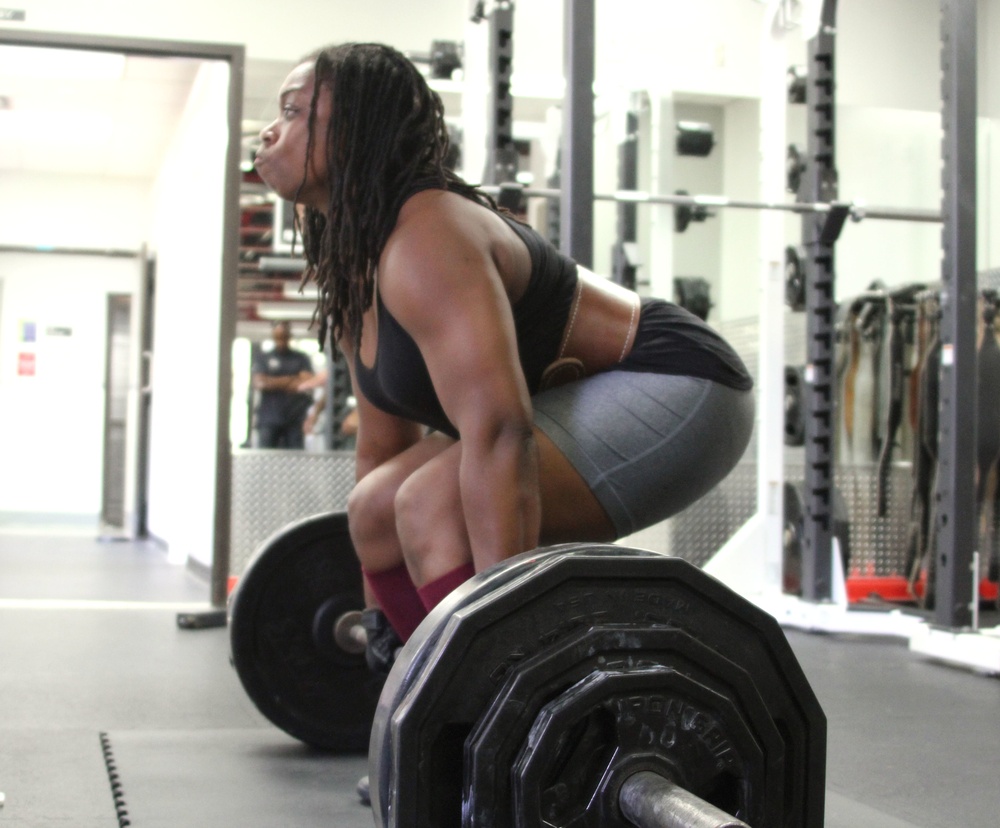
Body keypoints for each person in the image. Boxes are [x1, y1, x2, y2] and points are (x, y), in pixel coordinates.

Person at [253, 42, 755, 669]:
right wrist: (384, 634)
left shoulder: (426, 237)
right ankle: (431, 720)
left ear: (357, 132)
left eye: (295, 111)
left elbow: (499, 434)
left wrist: (512, 645)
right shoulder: (356, 266)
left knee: (432, 503)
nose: (271, 130)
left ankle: (496, 709)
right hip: (573, 397)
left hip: (681, 383)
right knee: (379, 504)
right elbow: (380, 454)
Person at [251, 320, 315, 449]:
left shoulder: (301, 358)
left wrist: (273, 381)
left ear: (289, 336)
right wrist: (292, 379)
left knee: (295, 460)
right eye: (278, 337)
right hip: (269, 419)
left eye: (284, 336)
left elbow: (307, 382)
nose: (281, 340)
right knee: (266, 458)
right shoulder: (263, 358)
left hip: (294, 419)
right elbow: (260, 383)